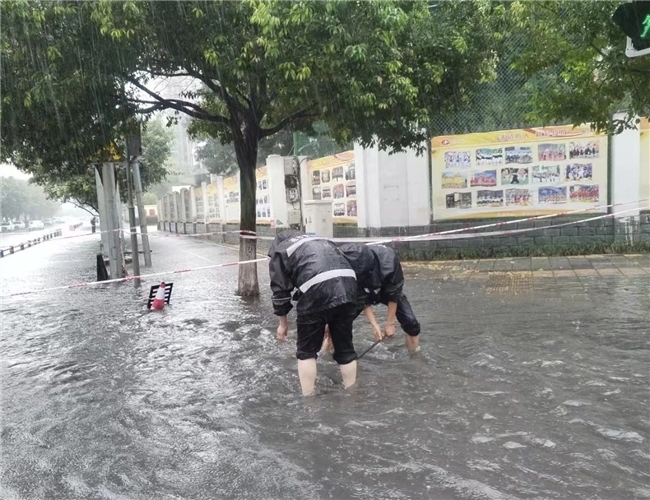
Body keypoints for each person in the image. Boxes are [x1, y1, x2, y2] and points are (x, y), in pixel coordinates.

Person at [268, 230, 359, 395]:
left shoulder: (282, 251)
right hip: (349, 286)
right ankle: (351, 393)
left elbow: (280, 292)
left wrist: (282, 324)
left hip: (315, 289)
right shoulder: (323, 240)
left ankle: (309, 401)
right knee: (345, 349)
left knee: (306, 352)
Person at [323, 243, 421, 353]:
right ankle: (325, 358)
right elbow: (362, 299)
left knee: (412, 324)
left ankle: (414, 357)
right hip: (364, 290)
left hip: (386, 290)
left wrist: (390, 323)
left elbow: (394, 295)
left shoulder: (389, 260)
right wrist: (374, 325)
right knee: (335, 326)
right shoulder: (350, 262)